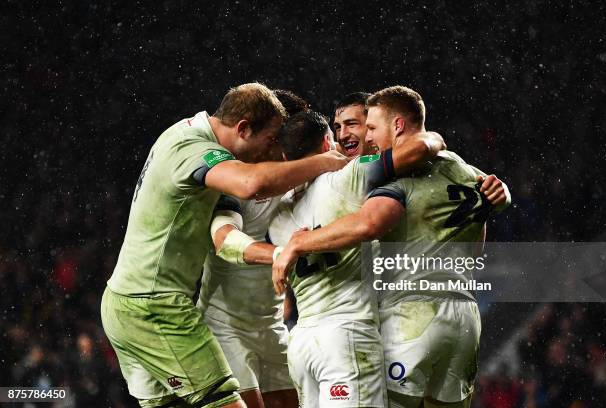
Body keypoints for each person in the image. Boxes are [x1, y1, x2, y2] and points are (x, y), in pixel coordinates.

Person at [100, 83, 349, 408]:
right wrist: (327, 162)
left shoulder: (185, 135)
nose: (273, 148)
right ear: (243, 128)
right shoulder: (196, 151)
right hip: (155, 307)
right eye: (272, 138)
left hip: (132, 304)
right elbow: (250, 185)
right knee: (224, 402)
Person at [272, 86, 511, 408]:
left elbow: (368, 224)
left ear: (396, 126)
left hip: (407, 315)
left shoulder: (383, 180)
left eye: (367, 126)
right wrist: (502, 193)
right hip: (464, 313)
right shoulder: (462, 168)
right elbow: (485, 210)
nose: (365, 138)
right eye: (339, 127)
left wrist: (298, 243)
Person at [267, 109, 446, 407]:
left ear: (285, 158)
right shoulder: (349, 177)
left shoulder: (276, 214)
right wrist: (437, 138)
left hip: (302, 344)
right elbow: (418, 149)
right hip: (347, 336)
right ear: (327, 143)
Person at [196, 90, 310, 408]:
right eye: (276, 135)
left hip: (272, 326)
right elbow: (225, 239)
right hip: (224, 327)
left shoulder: (301, 180)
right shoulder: (236, 179)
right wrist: (277, 254)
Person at [333, 92, 374, 157]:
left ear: (372, 125)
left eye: (351, 124)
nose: (342, 136)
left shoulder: (390, 160)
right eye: (338, 127)